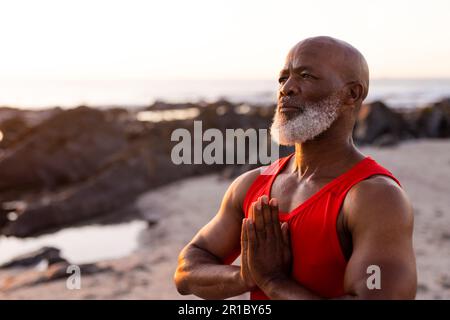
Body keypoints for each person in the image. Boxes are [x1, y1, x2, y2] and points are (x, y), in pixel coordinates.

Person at [174, 36, 417, 299]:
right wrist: (244, 276)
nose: (286, 88)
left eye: (306, 76)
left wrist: (273, 281)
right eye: (282, 78)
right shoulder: (251, 184)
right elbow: (186, 270)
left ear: (352, 94)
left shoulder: (376, 198)